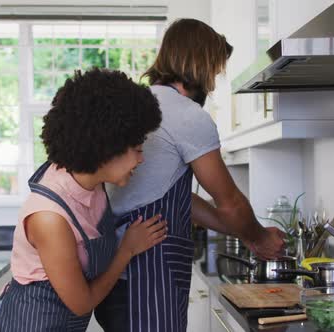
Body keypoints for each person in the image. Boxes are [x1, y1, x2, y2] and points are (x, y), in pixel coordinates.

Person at [94, 18, 286, 332]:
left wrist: (244, 235)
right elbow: (231, 203)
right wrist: (260, 238)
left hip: (118, 277)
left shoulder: (144, 103)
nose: (212, 82)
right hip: (144, 279)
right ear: (199, 64)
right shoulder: (186, 116)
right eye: (214, 71)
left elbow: (180, 198)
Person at [0, 68, 166, 332]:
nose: (141, 159)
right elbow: (81, 303)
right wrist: (127, 250)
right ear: (107, 147)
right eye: (138, 149)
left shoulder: (92, 184)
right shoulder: (49, 218)